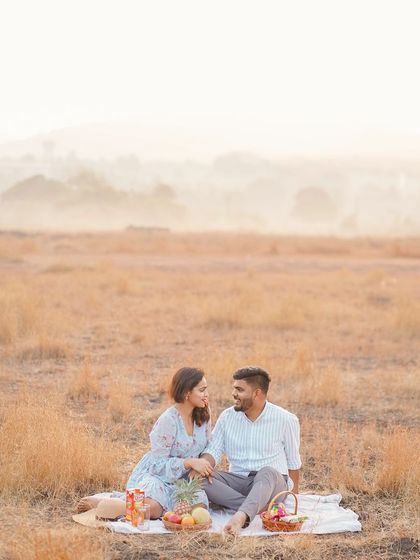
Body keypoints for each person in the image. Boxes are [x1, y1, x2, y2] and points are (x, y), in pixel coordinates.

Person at [76, 367, 213, 519]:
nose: (206, 394)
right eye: (202, 390)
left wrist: (201, 465)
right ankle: (105, 503)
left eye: (206, 389)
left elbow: (209, 446)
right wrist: (189, 462)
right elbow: (157, 464)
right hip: (159, 476)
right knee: (150, 510)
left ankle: (124, 504)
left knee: (199, 509)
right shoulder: (169, 421)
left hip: (186, 480)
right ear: (187, 392)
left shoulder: (204, 413)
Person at [197, 366, 302, 536]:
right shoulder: (227, 417)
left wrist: (292, 495)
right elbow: (214, 450)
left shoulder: (285, 419)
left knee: (267, 472)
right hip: (239, 482)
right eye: (234, 388)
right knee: (197, 477)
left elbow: (293, 462)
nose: (233, 394)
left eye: (239, 389)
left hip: (272, 483)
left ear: (257, 393)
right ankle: (262, 507)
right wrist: (202, 465)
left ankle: (240, 516)